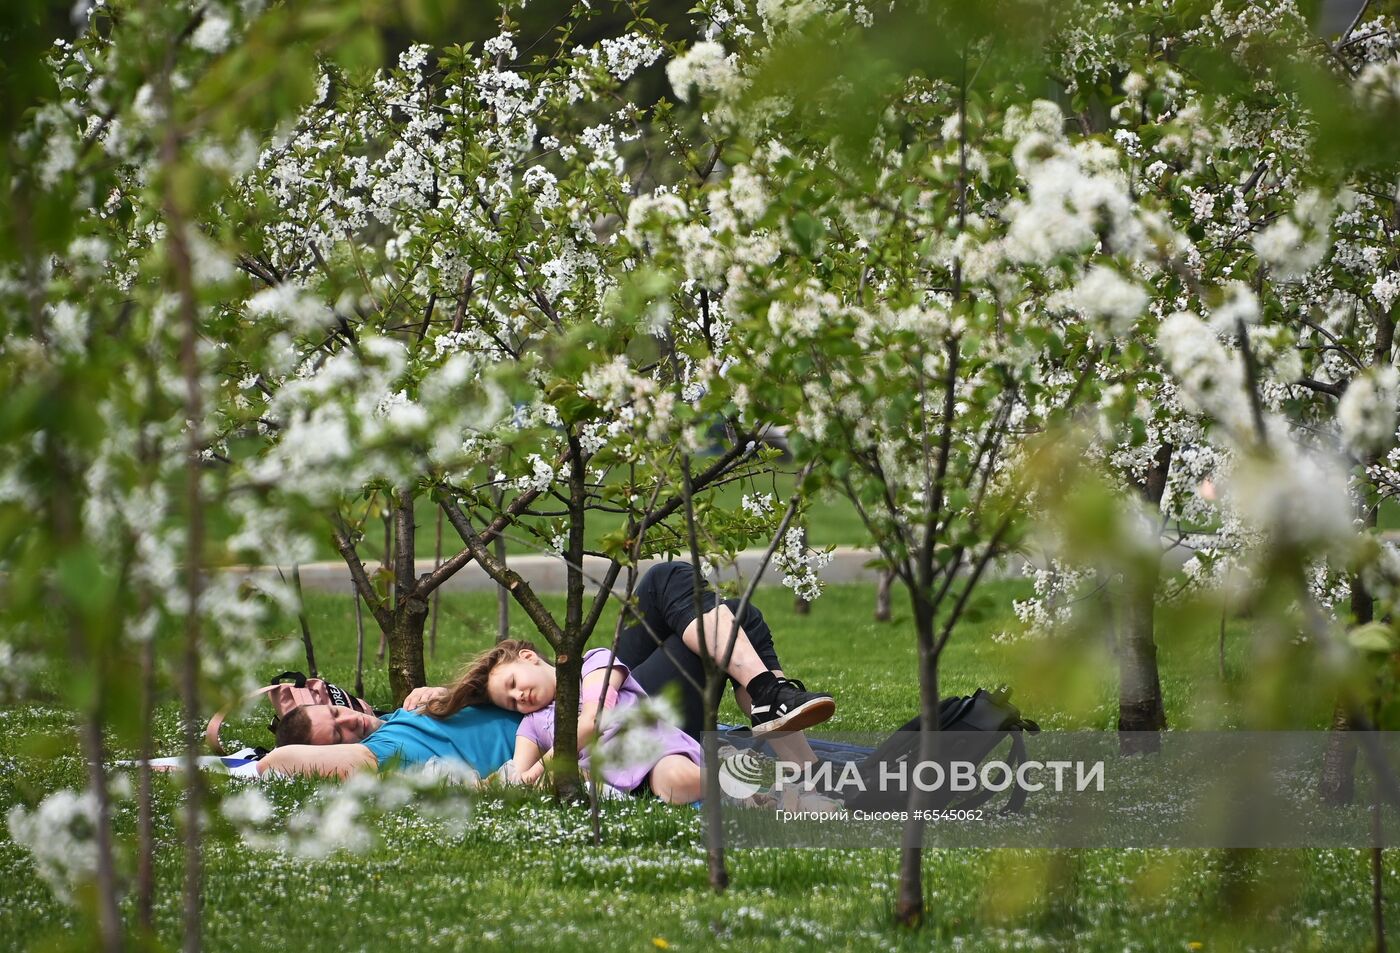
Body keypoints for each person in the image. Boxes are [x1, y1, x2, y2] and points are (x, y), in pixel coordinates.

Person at [447, 638, 705, 803]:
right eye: (512, 702)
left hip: (655, 752)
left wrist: (538, 771)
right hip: (610, 782)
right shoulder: (533, 722)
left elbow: (594, 719)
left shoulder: (592, 665)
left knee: (676, 781)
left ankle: (737, 781)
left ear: (528, 657)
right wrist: (487, 786)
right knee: (546, 785)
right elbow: (518, 771)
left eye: (513, 683)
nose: (519, 696)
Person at [257, 700, 519, 780]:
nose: (350, 720)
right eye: (338, 734)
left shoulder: (400, 715)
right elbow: (272, 763)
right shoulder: (381, 752)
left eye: (335, 713)